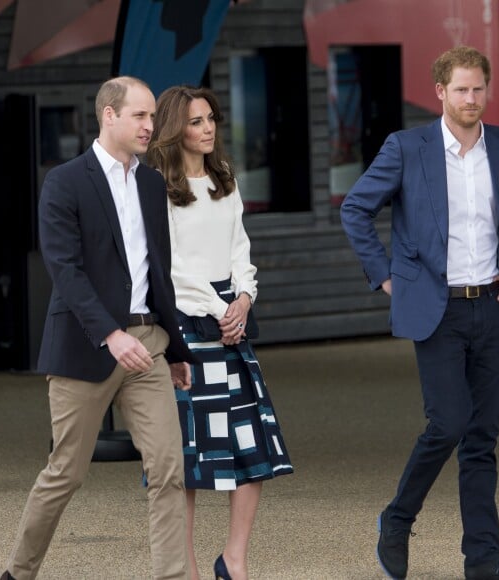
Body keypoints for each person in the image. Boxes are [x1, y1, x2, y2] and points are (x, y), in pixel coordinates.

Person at [341, 46, 499, 580]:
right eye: (461, 89)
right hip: (436, 311)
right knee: (449, 422)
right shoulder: (406, 147)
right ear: (440, 91)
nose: (472, 99)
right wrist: (386, 277)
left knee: (482, 435)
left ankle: (482, 558)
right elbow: (356, 209)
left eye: (479, 88)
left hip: (492, 304)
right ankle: (398, 516)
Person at [0, 76, 197, 580]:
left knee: (170, 469)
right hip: (87, 347)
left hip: (148, 344)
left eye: (152, 116)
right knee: (65, 472)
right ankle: (17, 574)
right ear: (108, 115)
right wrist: (111, 334)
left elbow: (159, 271)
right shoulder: (64, 181)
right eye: (140, 116)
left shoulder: (152, 183)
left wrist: (173, 349)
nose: (150, 126)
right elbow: (63, 269)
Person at [146, 85, 293, 580]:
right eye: (196, 122)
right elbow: (169, 266)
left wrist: (244, 299)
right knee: (185, 459)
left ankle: (234, 560)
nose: (208, 129)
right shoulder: (156, 188)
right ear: (175, 130)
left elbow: (240, 251)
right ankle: (185, 569)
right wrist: (221, 307)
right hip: (186, 325)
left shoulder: (225, 179)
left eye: (211, 119)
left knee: (253, 447)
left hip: (232, 319)